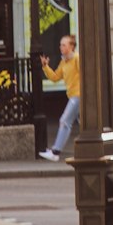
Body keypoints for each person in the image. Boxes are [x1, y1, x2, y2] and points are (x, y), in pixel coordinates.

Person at [38, 34, 80, 162]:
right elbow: (55, 77)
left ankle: (56, 151)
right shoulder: (64, 61)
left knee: (64, 121)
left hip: (78, 95)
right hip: (73, 95)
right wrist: (45, 66)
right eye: (60, 44)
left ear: (72, 47)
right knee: (85, 125)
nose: (61, 47)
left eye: (64, 45)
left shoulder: (77, 59)